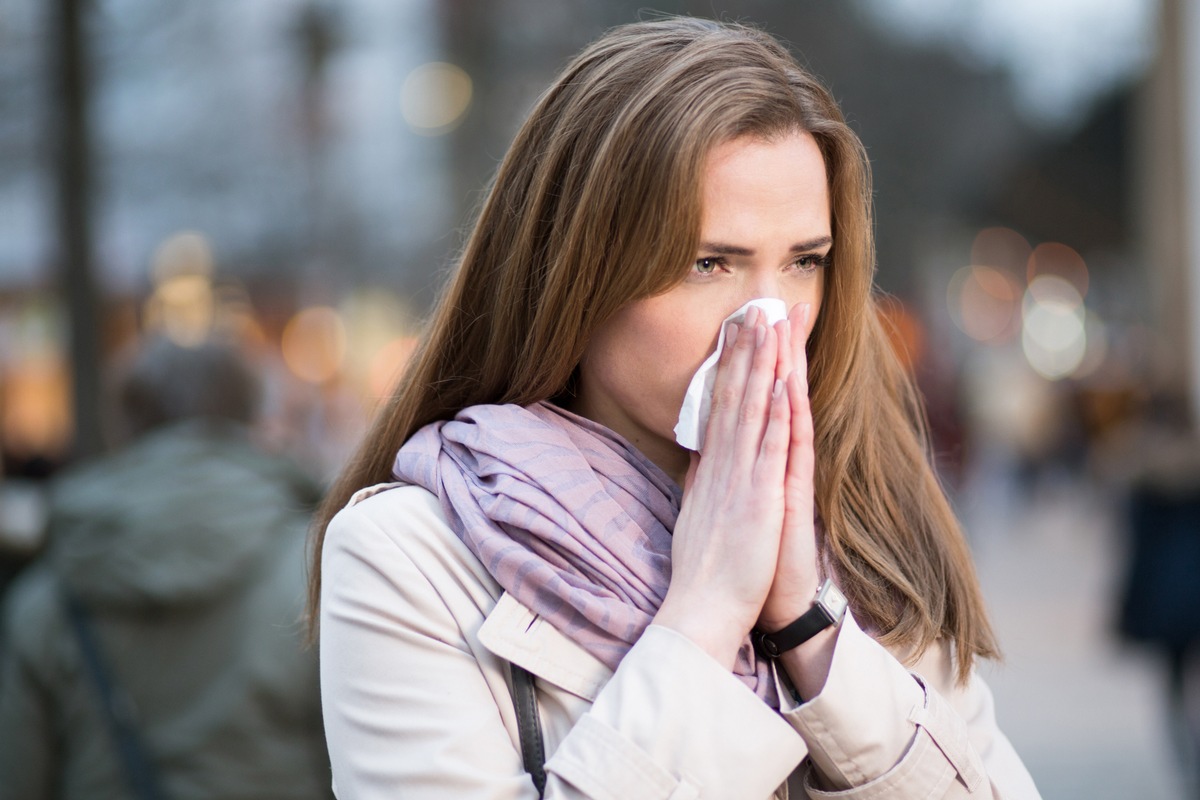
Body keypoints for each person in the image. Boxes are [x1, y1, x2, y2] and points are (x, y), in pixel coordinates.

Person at [310, 17, 1042, 799]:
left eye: (804, 263)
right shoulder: (410, 557)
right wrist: (708, 609)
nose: (767, 321)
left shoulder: (864, 519)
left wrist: (806, 624)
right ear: (578, 273)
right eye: (708, 263)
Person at [0, 335, 334, 800]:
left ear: (126, 426)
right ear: (251, 417)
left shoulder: (52, 595)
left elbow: (17, 779)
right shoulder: (316, 571)